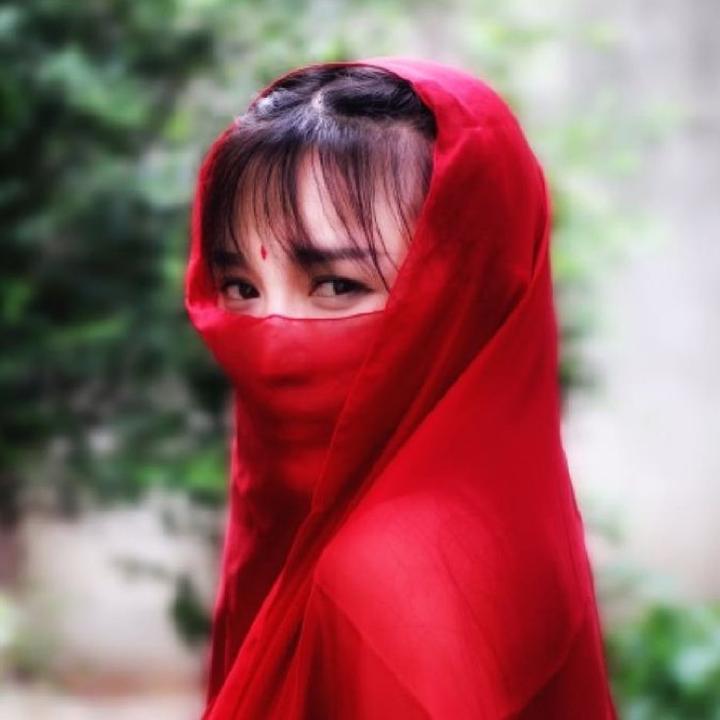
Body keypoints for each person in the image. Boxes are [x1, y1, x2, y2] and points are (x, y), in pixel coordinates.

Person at [185, 56, 619, 719]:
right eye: (241, 287)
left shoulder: (380, 573)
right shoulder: (497, 518)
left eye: (337, 285)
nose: (271, 340)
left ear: (467, 295)